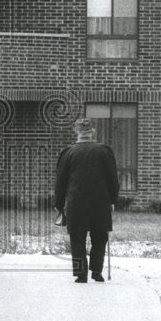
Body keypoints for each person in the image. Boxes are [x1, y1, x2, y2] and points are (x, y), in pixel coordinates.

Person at [54, 117, 120, 283]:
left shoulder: (68, 152)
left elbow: (60, 182)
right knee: (100, 236)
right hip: (101, 201)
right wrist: (113, 200)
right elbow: (113, 179)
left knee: (77, 237)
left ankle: (80, 274)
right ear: (92, 132)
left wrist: (59, 204)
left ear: (77, 132)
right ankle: (96, 272)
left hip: (76, 202)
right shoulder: (104, 151)